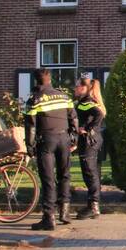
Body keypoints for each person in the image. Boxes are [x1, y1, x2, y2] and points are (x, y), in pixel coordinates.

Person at [24, 69, 78, 231]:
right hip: (64, 139)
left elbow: (30, 126)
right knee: (64, 175)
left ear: (36, 81)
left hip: (46, 140)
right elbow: (73, 118)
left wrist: (30, 146)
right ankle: (65, 213)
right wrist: (73, 138)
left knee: (48, 179)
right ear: (50, 80)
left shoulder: (34, 99)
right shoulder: (64, 96)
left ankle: (49, 218)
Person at [74, 77, 106, 219]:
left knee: (90, 173)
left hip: (89, 142)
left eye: (77, 86)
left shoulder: (85, 102)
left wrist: (87, 129)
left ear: (84, 88)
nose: (75, 89)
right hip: (95, 141)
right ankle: (92, 205)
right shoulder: (89, 101)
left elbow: (99, 114)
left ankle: (93, 206)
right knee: (94, 173)